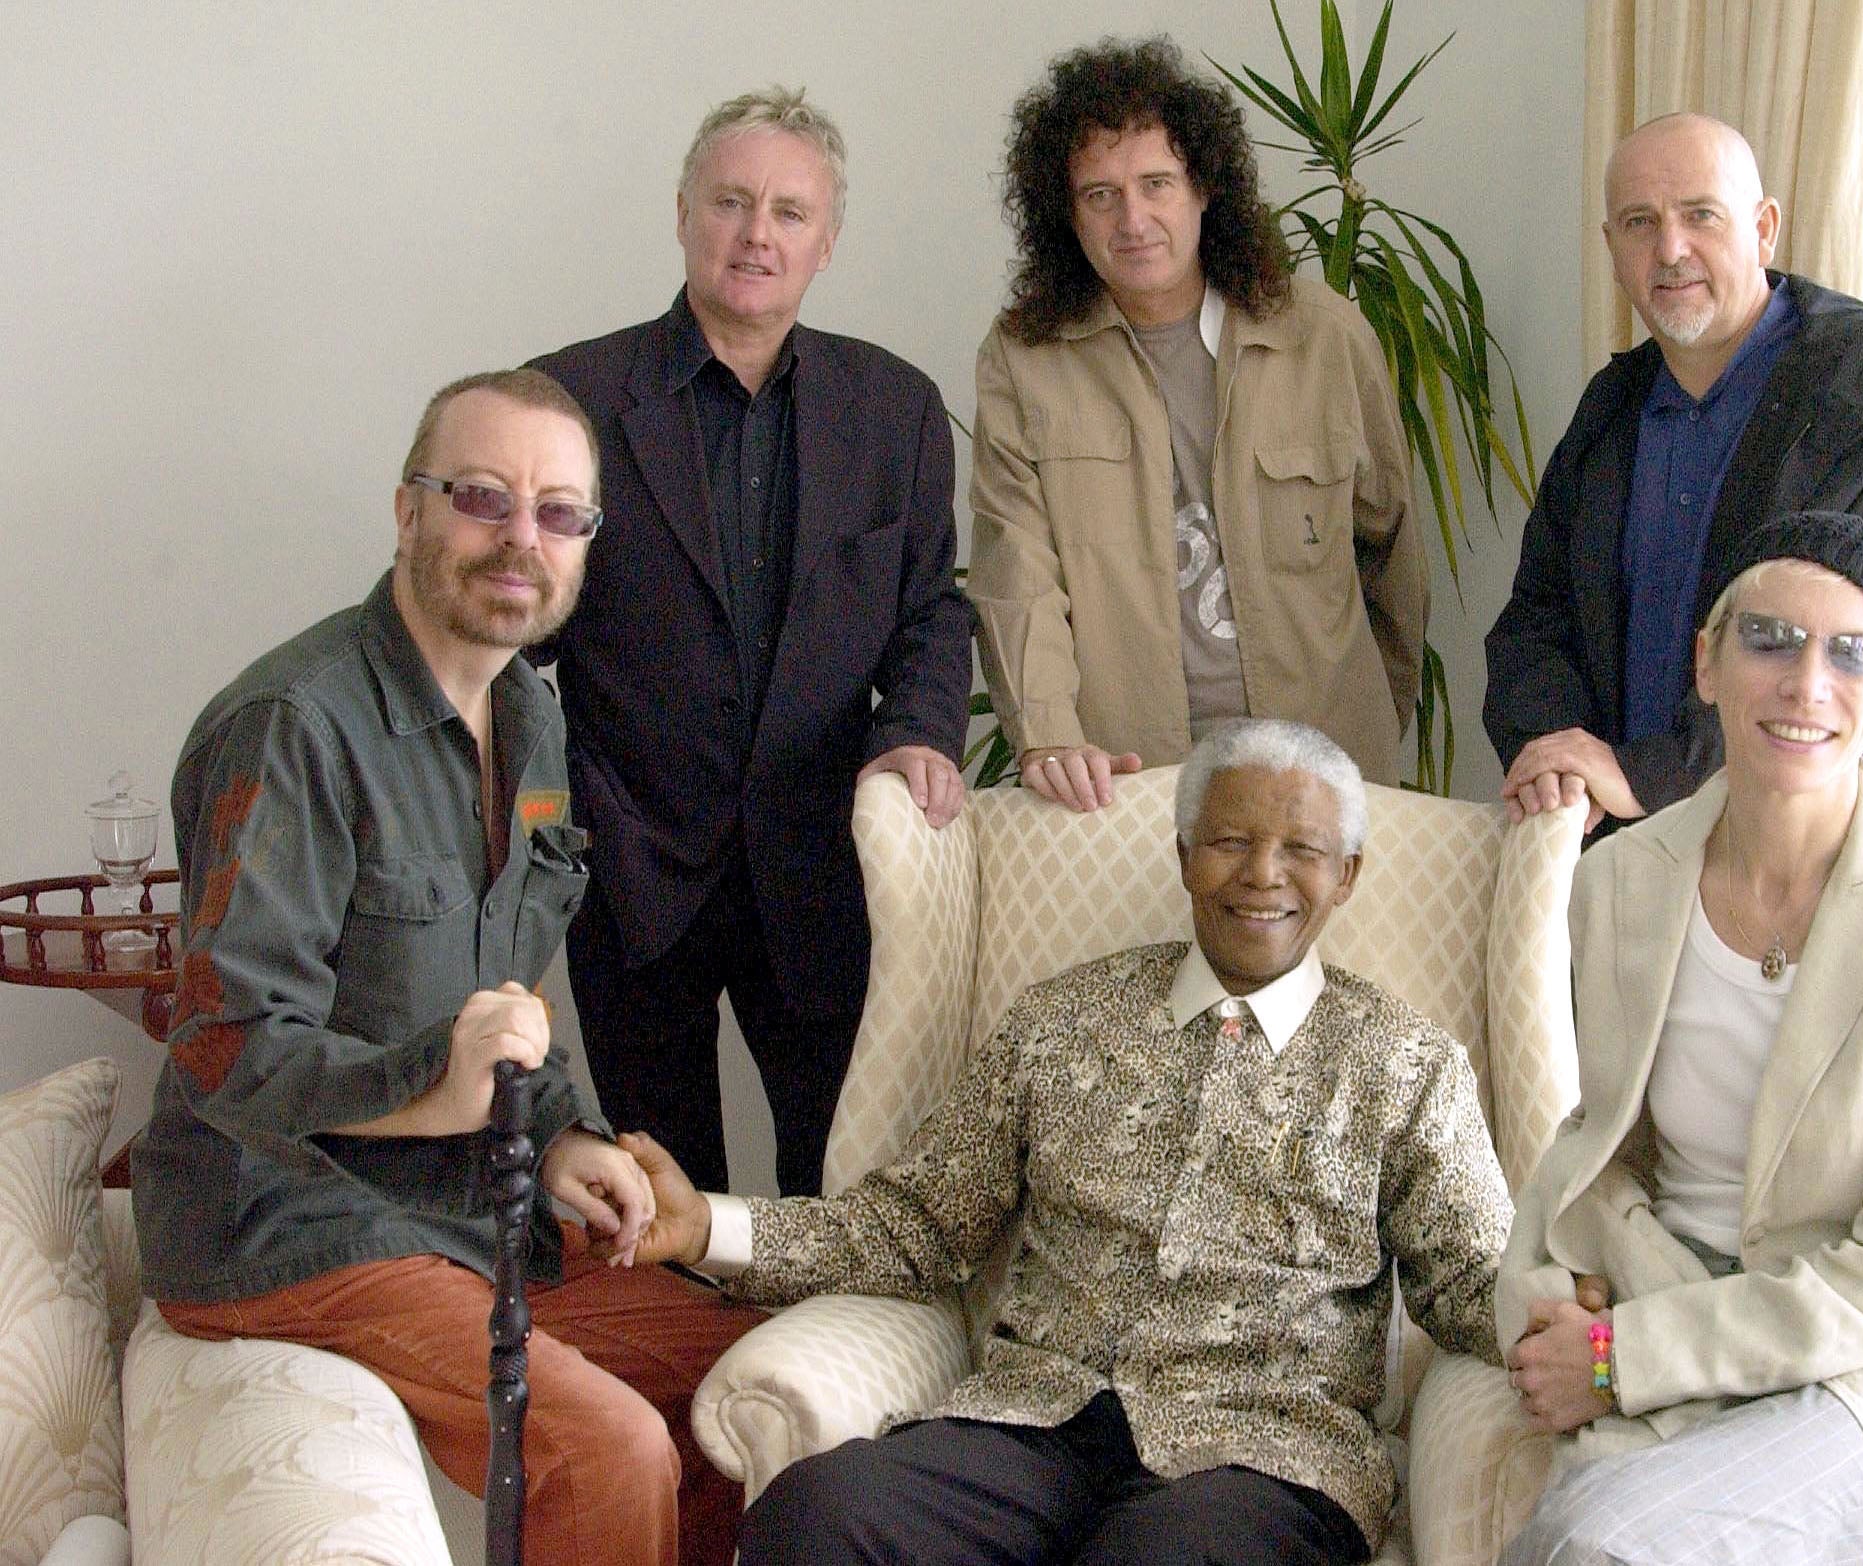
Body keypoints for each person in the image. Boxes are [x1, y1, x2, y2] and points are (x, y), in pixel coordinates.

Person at [131, 370, 766, 1566]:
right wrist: (440, 1085)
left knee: (735, 1367)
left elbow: (503, 993)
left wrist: (570, 1137)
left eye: (559, 512)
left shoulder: (531, 719)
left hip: (462, 1207)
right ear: (408, 511)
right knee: (605, 1447)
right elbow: (228, 1045)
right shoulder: (294, 725)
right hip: (283, 1220)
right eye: (483, 496)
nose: (521, 538)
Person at [614, 718, 1511, 1564]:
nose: (1262, 875)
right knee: (817, 1518)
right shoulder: (1064, 1018)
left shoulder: (1407, 1064)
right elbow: (915, 1225)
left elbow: (1476, 1281)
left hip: (1265, 1456)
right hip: (1030, 1422)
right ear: (1185, 857)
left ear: (1346, 875)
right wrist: (706, 1229)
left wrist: (1602, 1335)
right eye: (1231, 842)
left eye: (1302, 851)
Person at [1494, 512, 1863, 1564]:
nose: (1806, 684)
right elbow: (1598, 1145)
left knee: (1596, 1544)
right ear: (1707, 661)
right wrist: (1545, 1299)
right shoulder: (1619, 881)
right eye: (1770, 639)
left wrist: (1619, 1359)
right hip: (1675, 1285)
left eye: (1850, 654)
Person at [530, 88, 973, 1197]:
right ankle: (674, 1378)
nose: (755, 233)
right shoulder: (570, 399)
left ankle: (810, 1377)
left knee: (837, 1187)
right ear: (684, 213)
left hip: (823, 863)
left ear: (827, 243)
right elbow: (509, 626)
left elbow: (930, 609)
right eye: (731, 202)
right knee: (651, 1197)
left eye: (787, 211)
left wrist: (918, 730)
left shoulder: (897, 408)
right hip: (630, 863)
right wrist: (541, 810)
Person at [967, 37, 1425, 812]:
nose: (1133, 219)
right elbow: (1017, 569)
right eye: (1100, 195)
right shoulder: (1025, 358)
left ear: (1204, 189)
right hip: (1129, 780)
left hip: (1322, 772)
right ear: (1065, 212)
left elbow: (1393, 556)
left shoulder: (1327, 336)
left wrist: (1370, 727)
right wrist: (1046, 732)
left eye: (1156, 184)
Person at [1484, 112, 1863, 840]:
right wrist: (1557, 758)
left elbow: (1827, 652)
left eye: (1701, 215)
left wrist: (1646, 774)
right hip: (1628, 855)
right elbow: (1534, 620)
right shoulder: (1612, 406)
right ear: (1613, 250)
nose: (1671, 250)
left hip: (1820, 860)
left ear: (1764, 228)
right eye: (1640, 223)